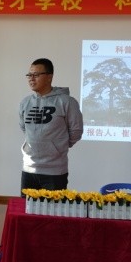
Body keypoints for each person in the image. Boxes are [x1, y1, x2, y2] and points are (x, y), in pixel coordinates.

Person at [20, 58, 83, 194]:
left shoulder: (67, 102)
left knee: (52, 208)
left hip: (54, 171)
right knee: (27, 207)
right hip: (29, 168)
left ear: (49, 77)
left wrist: (58, 146)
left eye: (36, 75)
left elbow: (76, 131)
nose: (31, 78)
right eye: (29, 75)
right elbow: (24, 128)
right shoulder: (25, 102)